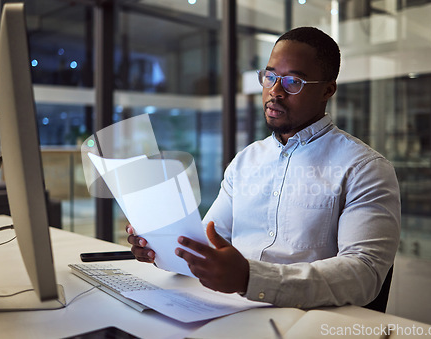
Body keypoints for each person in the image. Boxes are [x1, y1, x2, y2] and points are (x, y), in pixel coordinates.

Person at [127, 26, 400, 309]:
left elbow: (364, 275)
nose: (275, 91)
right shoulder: (245, 161)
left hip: (308, 322)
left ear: (327, 90)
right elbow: (209, 242)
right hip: (229, 310)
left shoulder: (365, 168)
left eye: (293, 81)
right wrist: (160, 246)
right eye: (269, 76)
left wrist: (250, 279)